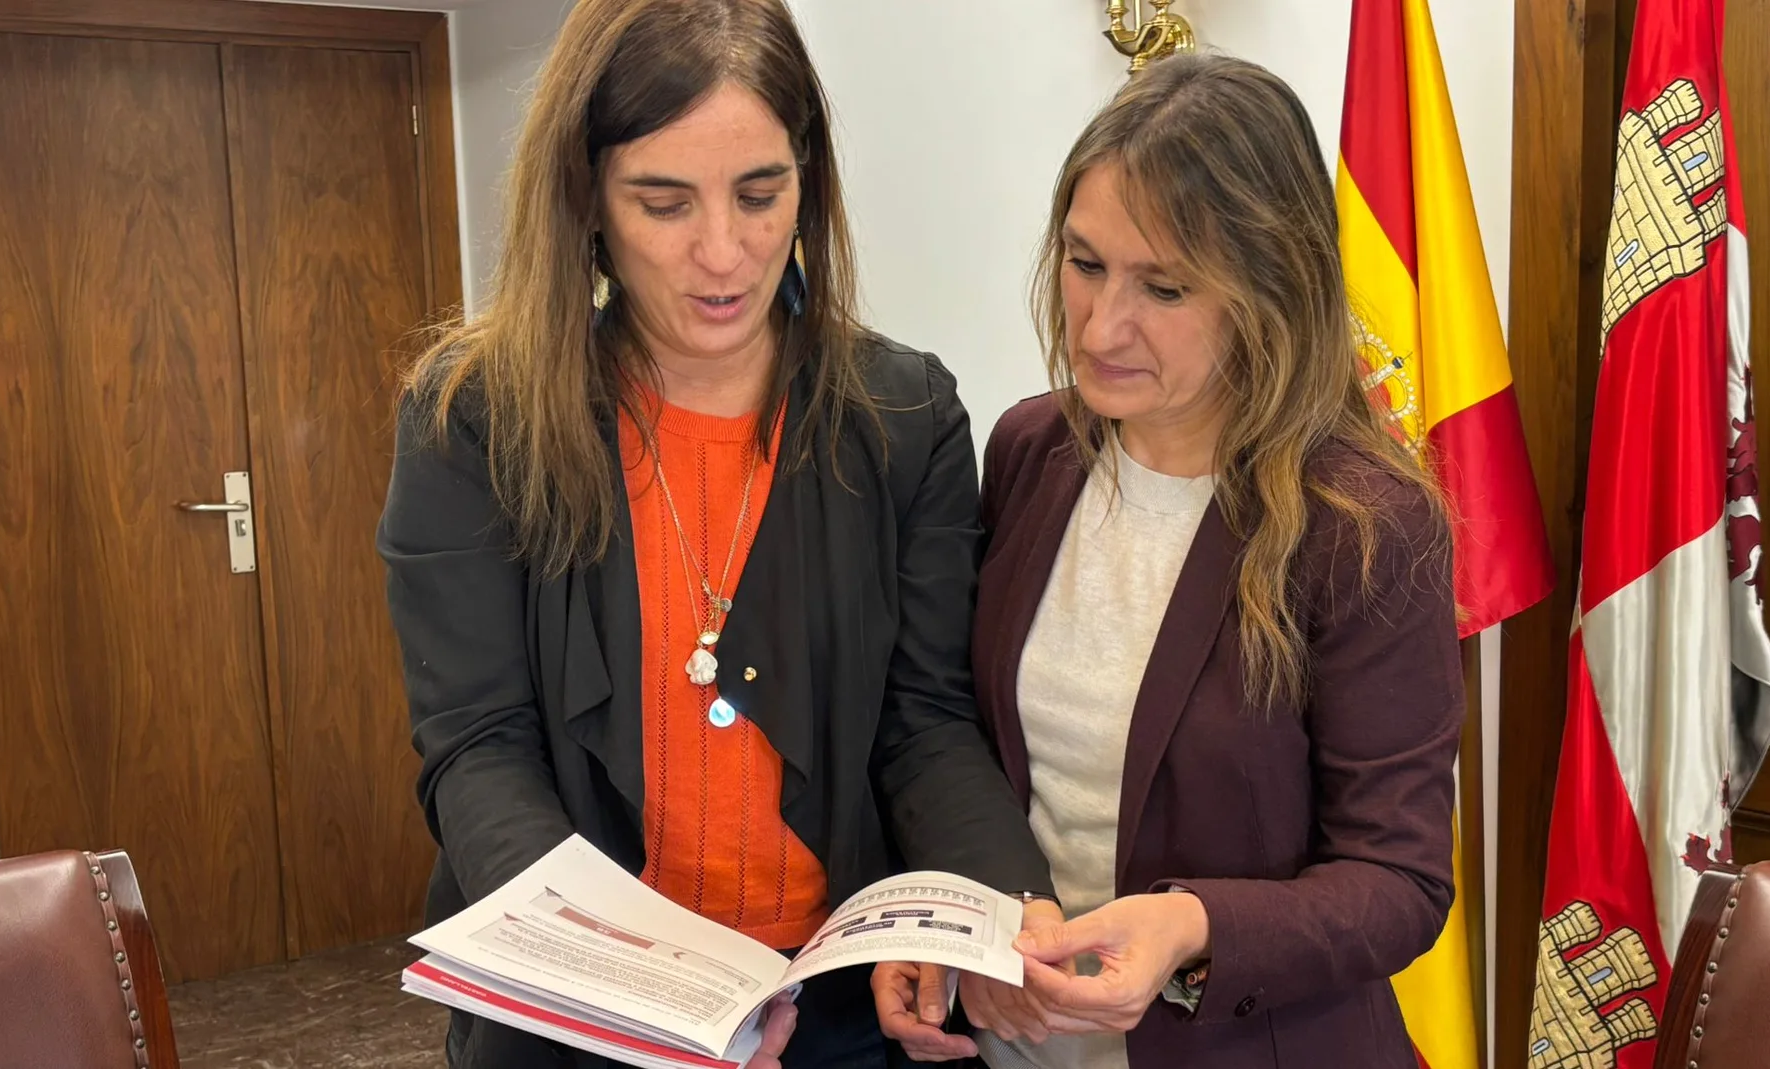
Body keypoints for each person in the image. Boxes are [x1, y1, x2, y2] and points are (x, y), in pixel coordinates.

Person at [376, 2, 1056, 1066]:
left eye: (760, 194)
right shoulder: (475, 420)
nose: (723, 253)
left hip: (841, 1007)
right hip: (581, 1007)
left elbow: (923, 722)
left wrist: (1003, 905)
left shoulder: (903, 415)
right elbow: (479, 747)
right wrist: (638, 995)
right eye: (664, 203)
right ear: (586, 198)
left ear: (807, 184)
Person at [874, 52, 1464, 1069]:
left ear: (1268, 289)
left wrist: (1192, 926)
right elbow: (965, 743)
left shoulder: (1366, 523)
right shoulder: (1029, 450)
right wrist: (949, 922)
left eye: (1164, 286)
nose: (1104, 325)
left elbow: (1401, 881)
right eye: (1084, 263)